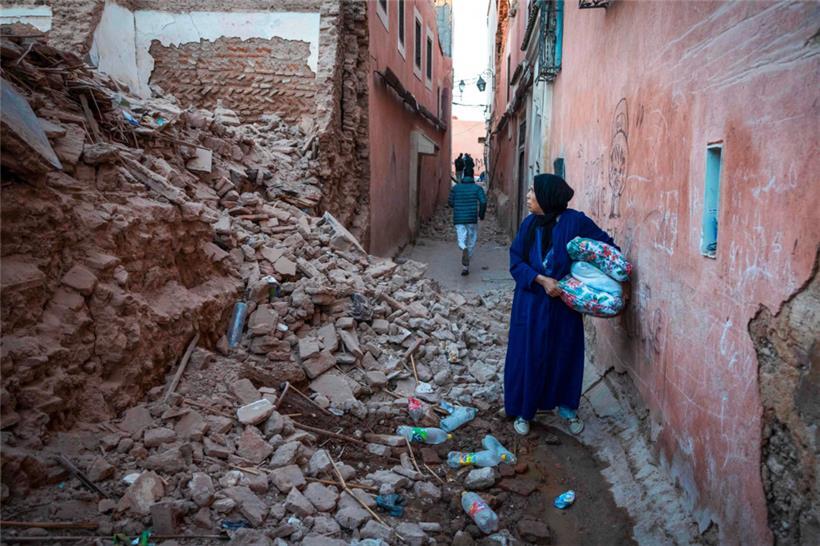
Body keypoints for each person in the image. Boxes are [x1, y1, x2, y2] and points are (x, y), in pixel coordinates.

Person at [504, 173, 618, 436]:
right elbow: (515, 261)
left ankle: (566, 407)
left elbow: (607, 250)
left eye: (533, 192)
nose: (529, 196)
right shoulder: (529, 225)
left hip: (563, 305)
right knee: (528, 355)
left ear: (548, 196)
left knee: (564, 352)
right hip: (531, 304)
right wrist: (541, 279)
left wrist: (586, 281)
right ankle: (524, 409)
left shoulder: (575, 222)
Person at [448, 166, 487, 276]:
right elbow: (483, 202)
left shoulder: (456, 188)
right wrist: (481, 215)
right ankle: (465, 266)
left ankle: (463, 248)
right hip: (471, 218)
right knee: (472, 239)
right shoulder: (477, 188)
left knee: (461, 238)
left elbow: (450, 202)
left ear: (464, 175)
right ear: (472, 175)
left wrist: (457, 206)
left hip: (459, 218)